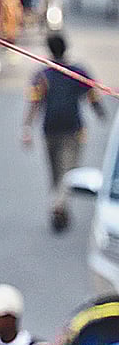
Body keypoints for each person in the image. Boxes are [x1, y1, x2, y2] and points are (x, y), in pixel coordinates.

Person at [22, 34, 106, 233]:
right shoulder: (77, 72)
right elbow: (92, 94)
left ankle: (59, 206)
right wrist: (100, 112)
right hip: (72, 130)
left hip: (50, 130)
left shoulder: (43, 75)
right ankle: (59, 206)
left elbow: (34, 103)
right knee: (66, 173)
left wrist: (26, 128)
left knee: (58, 174)